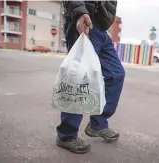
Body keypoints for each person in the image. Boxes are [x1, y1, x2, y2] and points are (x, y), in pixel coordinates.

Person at [56, 1, 125, 154]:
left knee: (116, 74)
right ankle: (66, 135)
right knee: (79, 79)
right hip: (84, 20)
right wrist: (80, 12)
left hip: (101, 29)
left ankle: (98, 124)